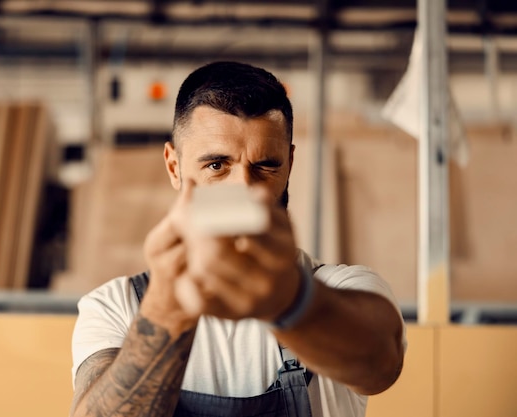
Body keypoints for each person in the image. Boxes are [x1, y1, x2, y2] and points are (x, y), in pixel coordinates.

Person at [69, 61, 406, 417]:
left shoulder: (341, 289)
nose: (244, 186)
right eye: (216, 165)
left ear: (289, 165)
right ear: (174, 166)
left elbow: (380, 364)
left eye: (265, 166)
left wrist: (292, 301)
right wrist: (169, 304)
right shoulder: (117, 307)